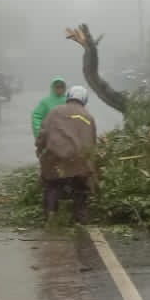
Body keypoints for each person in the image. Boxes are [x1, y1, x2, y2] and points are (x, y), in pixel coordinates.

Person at [36, 85, 97, 223]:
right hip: (80, 162)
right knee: (80, 189)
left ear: (68, 96)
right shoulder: (89, 117)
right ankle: (81, 219)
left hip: (55, 159)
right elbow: (92, 145)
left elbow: (43, 134)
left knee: (52, 185)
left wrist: (39, 149)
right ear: (84, 100)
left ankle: (50, 216)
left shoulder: (54, 112)